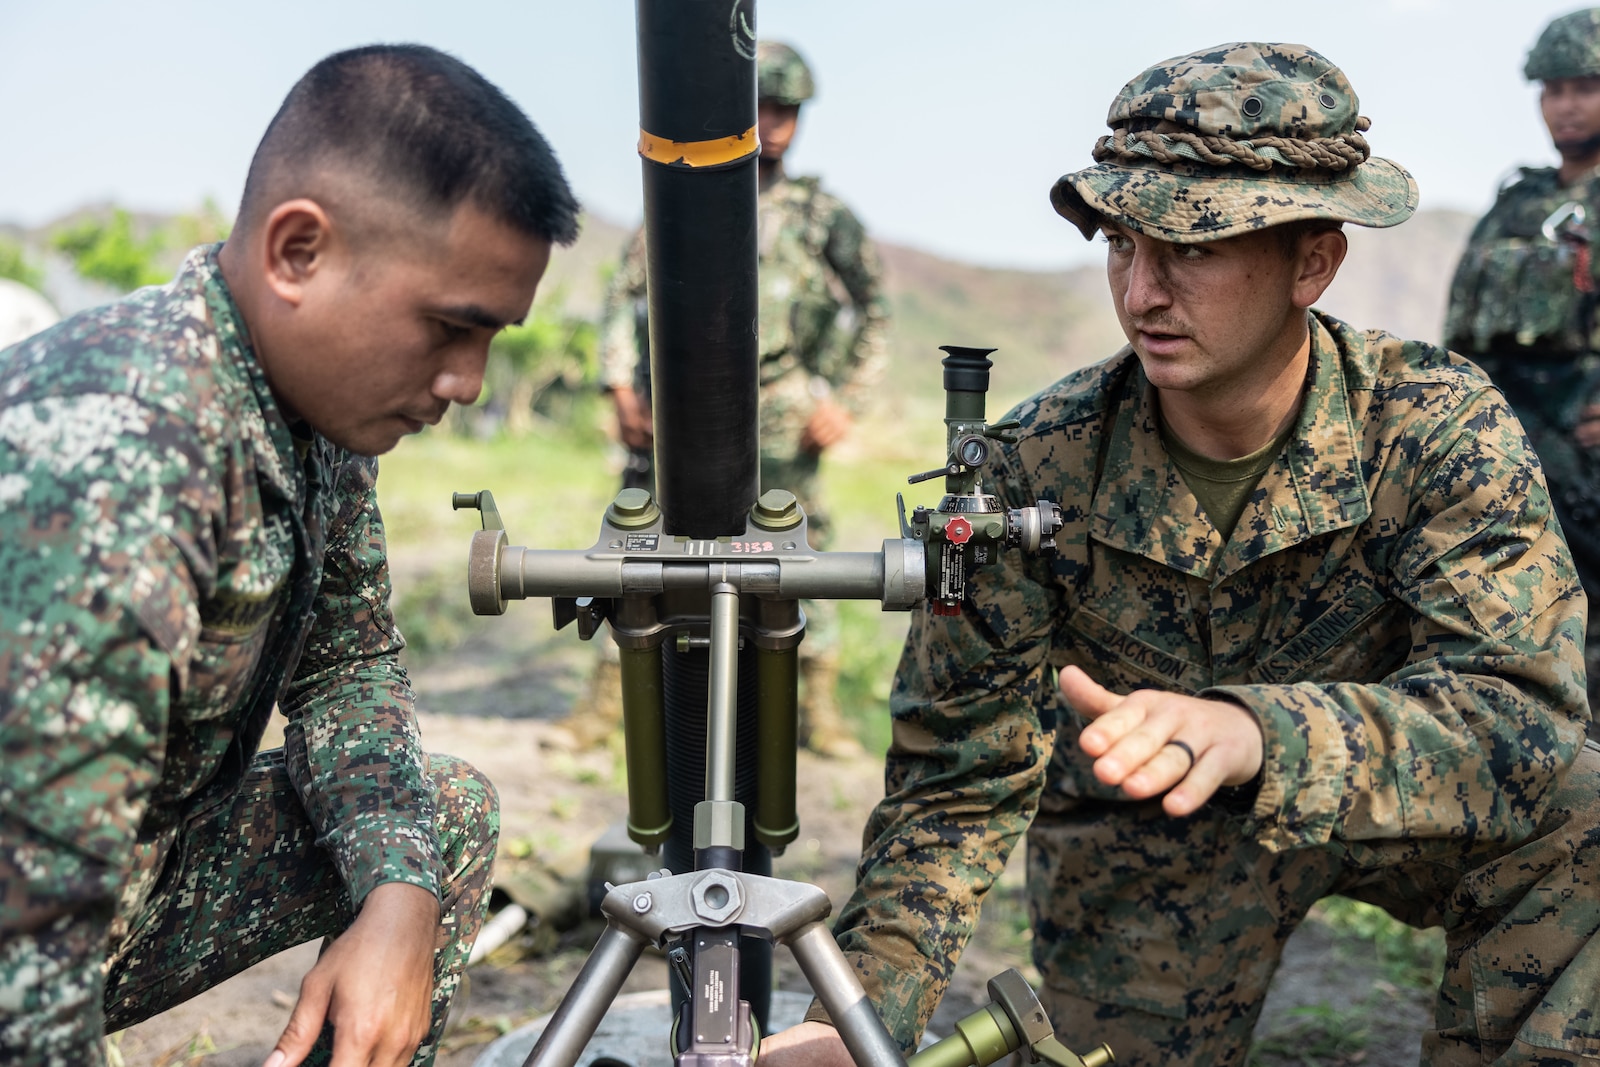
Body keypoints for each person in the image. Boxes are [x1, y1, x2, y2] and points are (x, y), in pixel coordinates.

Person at [761, 42, 1600, 1067]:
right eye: (1121, 241)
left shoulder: (1433, 426)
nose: (1143, 291)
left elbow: (1521, 713)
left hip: (1385, 800)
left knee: (1584, 815)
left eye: (1191, 248)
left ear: (1313, 260)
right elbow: (955, 774)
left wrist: (1258, 733)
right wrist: (854, 1017)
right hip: (1148, 838)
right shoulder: (1036, 463)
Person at [0, 44, 579, 1067]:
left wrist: (401, 894)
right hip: (31, 923)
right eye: (450, 327)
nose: (468, 383)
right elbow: (27, 929)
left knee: (435, 822)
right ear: (298, 252)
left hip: (111, 888)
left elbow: (348, 667)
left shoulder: (311, 415)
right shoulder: (124, 452)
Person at [578, 39, 890, 758]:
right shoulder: (678, 195)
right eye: (762, 106)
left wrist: (846, 398)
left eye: (787, 109)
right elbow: (623, 296)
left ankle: (816, 709)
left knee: (801, 550)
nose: (774, 122)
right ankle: (604, 706)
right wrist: (620, 384)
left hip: (779, 408)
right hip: (676, 406)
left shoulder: (821, 217)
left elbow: (875, 307)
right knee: (639, 544)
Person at [1445, 7, 1600, 738]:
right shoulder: (1518, 204)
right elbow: (1464, 338)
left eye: (1585, 86)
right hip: (1520, 461)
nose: (1566, 105)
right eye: (1553, 88)